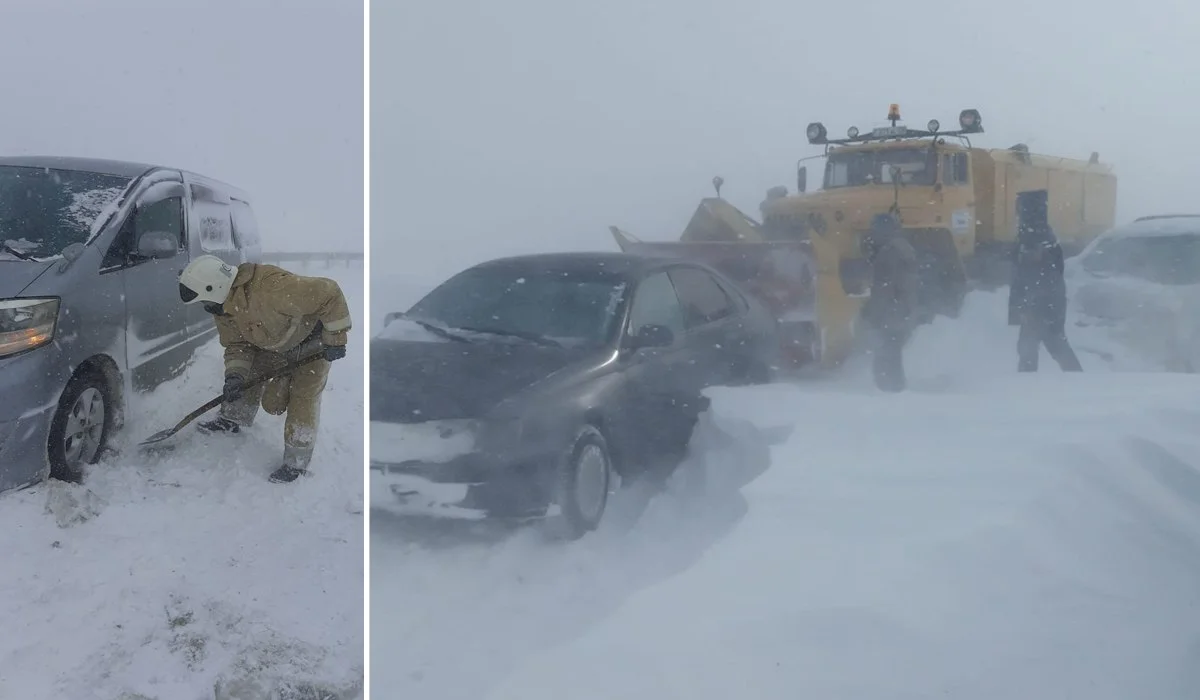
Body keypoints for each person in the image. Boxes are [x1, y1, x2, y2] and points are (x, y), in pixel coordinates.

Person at [177, 255, 352, 483]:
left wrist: (336, 339)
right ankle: (233, 418)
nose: (206, 307)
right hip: (272, 345)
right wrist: (234, 376)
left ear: (215, 288)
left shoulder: (272, 289)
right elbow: (237, 345)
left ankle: (296, 462)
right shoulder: (224, 308)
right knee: (248, 377)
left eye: (204, 301)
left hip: (313, 346)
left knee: (302, 399)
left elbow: (329, 292)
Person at [1007, 190, 1083, 373]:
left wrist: (1028, 304)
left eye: (1020, 207)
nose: (1017, 212)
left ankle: (1029, 383)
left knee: (1036, 345)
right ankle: (1076, 377)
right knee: (1048, 343)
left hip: (1040, 303)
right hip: (1047, 301)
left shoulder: (1034, 236)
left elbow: (1030, 273)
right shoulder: (1042, 235)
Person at [861, 213, 920, 392]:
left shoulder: (889, 253)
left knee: (885, 353)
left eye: (876, 230)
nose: (873, 234)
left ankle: (890, 389)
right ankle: (895, 387)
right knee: (893, 352)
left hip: (891, 312)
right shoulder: (904, 248)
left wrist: (872, 312)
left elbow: (884, 288)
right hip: (903, 310)